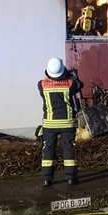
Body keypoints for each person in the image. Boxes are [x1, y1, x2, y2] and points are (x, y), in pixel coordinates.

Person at [37, 57, 84, 186]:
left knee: (48, 150)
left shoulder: (41, 84)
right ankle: (71, 178)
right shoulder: (70, 84)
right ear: (62, 71)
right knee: (68, 149)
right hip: (67, 123)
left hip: (49, 123)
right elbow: (80, 84)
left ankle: (47, 179)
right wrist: (68, 74)